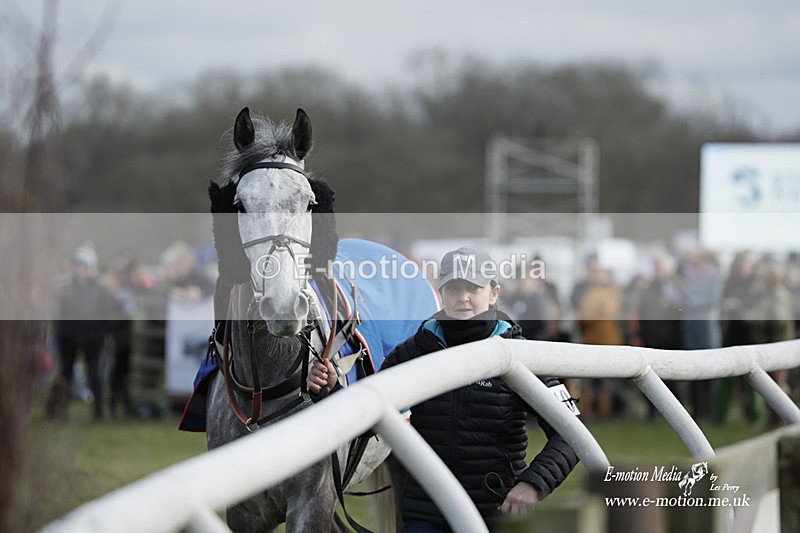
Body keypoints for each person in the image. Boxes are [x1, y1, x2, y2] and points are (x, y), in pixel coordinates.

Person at [309, 246, 579, 531]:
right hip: (426, 514)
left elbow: (572, 433)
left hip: (496, 513)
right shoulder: (415, 349)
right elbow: (372, 417)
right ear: (442, 292)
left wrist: (532, 485)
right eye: (454, 288)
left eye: (473, 287)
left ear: (494, 293)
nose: (463, 297)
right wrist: (331, 390)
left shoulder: (522, 354)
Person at [46, 242, 115, 421]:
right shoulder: (67, 289)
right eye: (77, 265)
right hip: (69, 338)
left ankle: (99, 411)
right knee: (66, 374)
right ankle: (60, 409)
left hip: (92, 339)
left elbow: (105, 315)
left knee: (94, 374)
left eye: (83, 266)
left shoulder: (99, 290)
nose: (80, 270)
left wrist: (102, 334)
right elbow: (61, 315)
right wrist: (61, 335)